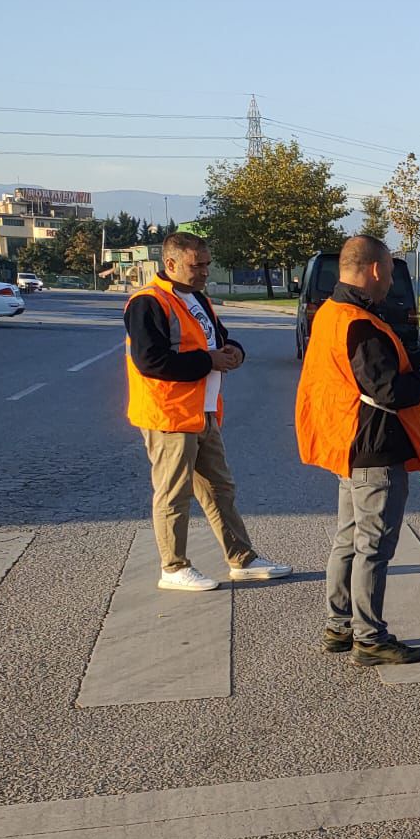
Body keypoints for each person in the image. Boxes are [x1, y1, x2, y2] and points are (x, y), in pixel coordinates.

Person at [294, 235, 420, 665]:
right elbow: (388, 389)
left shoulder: (333, 313)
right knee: (373, 547)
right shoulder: (360, 323)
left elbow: (378, 368)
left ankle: (339, 624)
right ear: (377, 269)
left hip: (349, 444)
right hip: (374, 448)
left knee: (348, 540)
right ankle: (369, 636)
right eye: (390, 275)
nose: (390, 286)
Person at [123, 230, 291, 592]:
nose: (204, 272)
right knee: (173, 493)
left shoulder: (196, 298)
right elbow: (150, 361)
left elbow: (220, 337)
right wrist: (208, 360)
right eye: (196, 265)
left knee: (219, 487)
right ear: (170, 263)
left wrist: (234, 352)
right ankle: (173, 566)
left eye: (206, 265)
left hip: (203, 410)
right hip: (168, 415)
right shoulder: (148, 302)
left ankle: (242, 559)